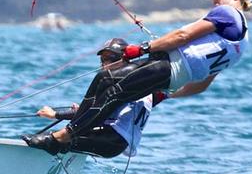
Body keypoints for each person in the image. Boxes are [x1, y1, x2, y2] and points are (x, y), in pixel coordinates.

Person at [23, 0, 252, 155]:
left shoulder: (226, 13)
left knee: (111, 86)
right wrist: (168, 93)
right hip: (173, 76)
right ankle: (68, 133)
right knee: (107, 80)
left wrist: (142, 49)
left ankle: (63, 136)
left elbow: (183, 35)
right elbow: (202, 84)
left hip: (167, 66)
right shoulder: (241, 42)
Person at [28, 38, 166, 157]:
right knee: (55, 138)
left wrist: (55, 114)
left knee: (50, 138)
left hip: (110, 140)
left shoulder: (122, 85)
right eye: (103, 59)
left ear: (126, 59)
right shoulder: (145, 84)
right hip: (113, 141)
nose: (106, 63)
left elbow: (99, 113)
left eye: (112, 58)